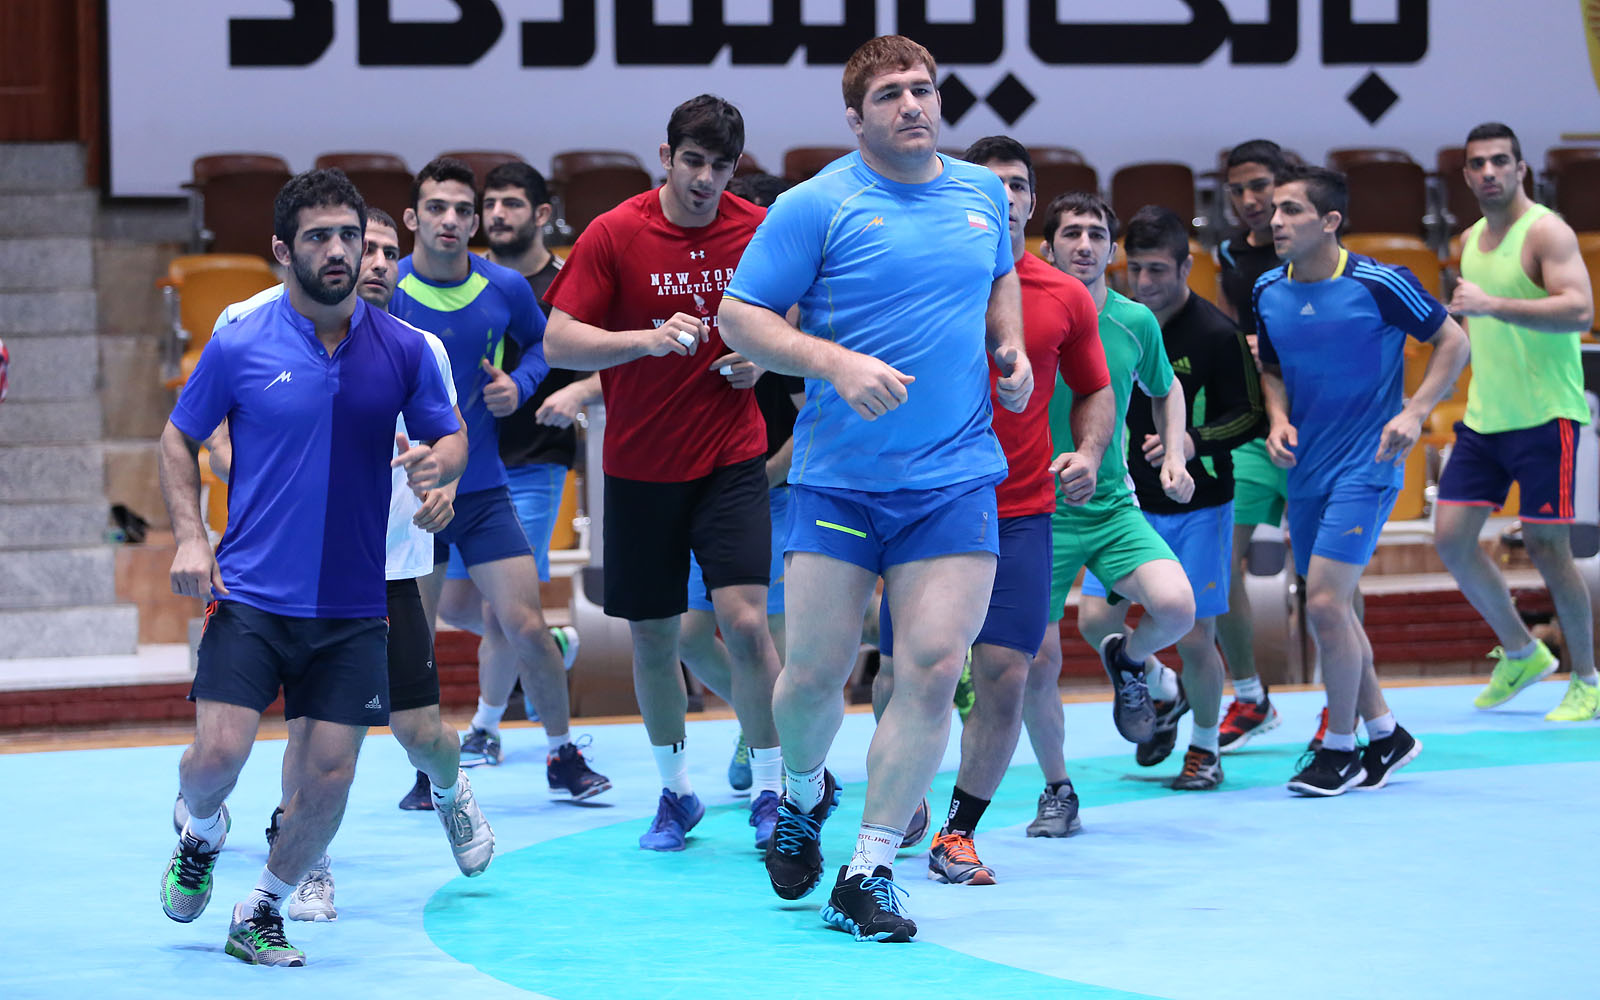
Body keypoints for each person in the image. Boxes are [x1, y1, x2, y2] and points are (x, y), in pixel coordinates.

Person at [720, 35, 1033, 942]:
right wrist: (834, 363)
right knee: (813, 677)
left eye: (924, 88)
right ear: (855, 118)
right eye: (891, 93)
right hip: (840, 484)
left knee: (931, 668)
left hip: (955, 478)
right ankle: (803, 792)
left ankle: (868, 870)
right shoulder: (815, 204)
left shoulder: (980, 193)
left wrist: (1008, 347)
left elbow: (1001, 275)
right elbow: (738, 316)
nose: (913, 104)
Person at [157, 170, 466, 966]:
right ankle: (201, 831)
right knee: (215, 761)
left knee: (328, 780)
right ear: (282, 249)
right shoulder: (240, 341)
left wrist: (443, 472)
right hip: (253, 594)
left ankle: (260, 909)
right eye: (319, 237)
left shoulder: (404, 349)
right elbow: (178, 437)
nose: (339, 251)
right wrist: (191, 535)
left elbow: (449, 433)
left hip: (355, 604)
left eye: (349, 236)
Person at [544, 95, 785, 852]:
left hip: (730, 456)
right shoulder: (614, 233)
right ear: (665, 156)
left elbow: (792, 319)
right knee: (654, 638)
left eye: (720, 166)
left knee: (745, 622)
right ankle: (676, 793)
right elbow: (558, 341)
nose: (705, 179)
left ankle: (775, 787)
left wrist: (762, 359)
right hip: (641, 467)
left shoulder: (757, 228)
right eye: (693, 161)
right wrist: (643, 341)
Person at [870, 136, 1110, 885]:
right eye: (990, 181)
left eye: (1017, 186)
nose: (1004, 196)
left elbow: (1095, 388)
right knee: (901, 673)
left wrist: (1089, 452)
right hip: (926, 506)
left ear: (1032, 203)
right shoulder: (921, 275)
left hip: (1020, 509)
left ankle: (958, 833)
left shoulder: (1064, 295)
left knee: (1008, 672)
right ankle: (901, 794)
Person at [389, 157, 610, 801]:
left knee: (526, 627)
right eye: (437, 208)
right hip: (410, 499)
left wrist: (522, 383)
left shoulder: (505, 287)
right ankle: (431, 772)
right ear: (413, 218)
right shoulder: (387, 290)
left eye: (464, 210)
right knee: (417, 641)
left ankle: (562, 754)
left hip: (484, 490)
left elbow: (548, 344)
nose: (452, 220)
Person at [1256, 164, 1470, 795]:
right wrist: (1277, 419)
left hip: (1369, 464)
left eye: (1291, 210)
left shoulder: (1381, 283)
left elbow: (1453, 341)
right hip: (1305, 468)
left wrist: (1416, 411)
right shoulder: (1267, 289)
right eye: (1275, 209)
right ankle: (1386, 733)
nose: (1275, 220)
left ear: (1330, 221)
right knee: (1335, 607)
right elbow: (1271, 367)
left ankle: (1340, 748)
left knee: (1325, 602)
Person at [1018, 191, 1197, 835]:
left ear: (1112, 251)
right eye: (1071, 233)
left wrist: (1173, 454)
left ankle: (1129, 659)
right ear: (1048, 247)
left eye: (1097, 234)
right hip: (1035, 511)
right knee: (1039, 665)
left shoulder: (1133, 321)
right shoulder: (1019, 312)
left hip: (1112, 505)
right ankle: (1058, 790)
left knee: (1177, 606)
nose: (1085, 244)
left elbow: (1166, 389)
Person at [1435, 121, 1600, 722]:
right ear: (1466, 175)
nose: (1489, 172)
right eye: (1478, 163)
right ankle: (1523, 651)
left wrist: (1493, 305)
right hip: (1486, 417)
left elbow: (1579, 311)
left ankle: (1587, 679)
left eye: (1500, 161)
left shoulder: (1546, 231)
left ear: (1520, 169)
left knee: (1547, 546)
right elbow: (1468, 327)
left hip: (1546, 416)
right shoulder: (1468, 241)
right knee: (1451, 539)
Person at [1108, 205, 1263, 789]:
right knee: (1097, 622)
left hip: (1201, 506)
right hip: (1127, 504)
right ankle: (1162, 686)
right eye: (1135, 269)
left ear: (1184, 268)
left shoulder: (1217, 335)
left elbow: (1250, 415)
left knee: (1197, 635)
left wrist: (1191, 442)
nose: (1144, 282)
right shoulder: (1118, 324)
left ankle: (1205, 748)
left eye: (1156, 269)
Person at [1214, 139, 1295, 749]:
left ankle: (1352, 705)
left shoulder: (1317, 249)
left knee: (1330, 581)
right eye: (1237, 189)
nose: (1249, 200)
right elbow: (1226, 326)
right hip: (1252, 429)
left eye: (1259, 186)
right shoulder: (1229, 253)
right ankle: (1249, 697)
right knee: (1217, 565)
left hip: (1317, 430)